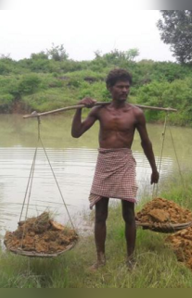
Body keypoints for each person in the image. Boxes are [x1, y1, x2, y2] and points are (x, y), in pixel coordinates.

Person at [71, 68, 159, 270]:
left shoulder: (136, 113)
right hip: (105, 162)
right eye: (120, 87)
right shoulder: (99, 111)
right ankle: (100, 260)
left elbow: (146, 142)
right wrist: (79, 109)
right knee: (100, 214)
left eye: (127, 87)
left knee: (129, 213)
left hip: (124, 162)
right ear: (109, 88)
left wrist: (154, 169)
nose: (124, 90)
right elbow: (76, 133)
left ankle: (131, 260)